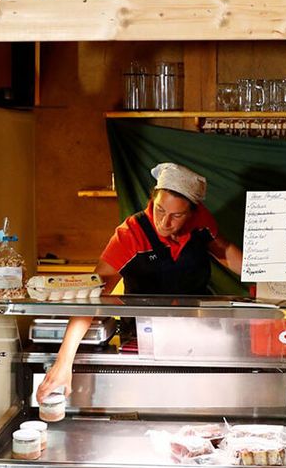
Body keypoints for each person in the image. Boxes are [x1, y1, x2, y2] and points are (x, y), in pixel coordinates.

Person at [36, 163, 242, 401]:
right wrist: (64, 362)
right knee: (153, 401)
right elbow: (92, 297)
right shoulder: (129, 235)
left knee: (203, 401)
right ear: (152, 199)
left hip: (197, 334)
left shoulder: (201, 221)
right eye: (160, 209)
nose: (165, 222)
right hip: (143, 340)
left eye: (176, 215)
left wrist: (269, 278)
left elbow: (223, 249)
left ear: (193, 213)